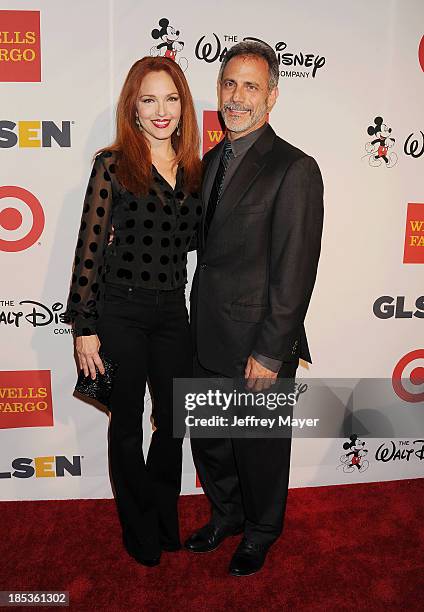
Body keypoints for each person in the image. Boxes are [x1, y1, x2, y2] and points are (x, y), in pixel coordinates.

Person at [185, 40, 324, 576]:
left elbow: (295, 272)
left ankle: (262, 531)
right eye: (229, 83)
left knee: (258, 449)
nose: (237, 97)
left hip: (258, 344)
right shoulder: (210, 161)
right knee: (212, 441)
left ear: (272, 96)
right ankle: (227, 515)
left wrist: (271, 351)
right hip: (206, 335)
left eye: (250, 86)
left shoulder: (294, 169)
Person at [65, 57, 202, 567]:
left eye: (171, 98)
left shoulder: (196, 170)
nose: (161, 110)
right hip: (120, 311)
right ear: (134, 107)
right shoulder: (113, 164)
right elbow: (90, 247)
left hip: (173, 314)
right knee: (125, 426)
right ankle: (139, 525)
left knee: (171, 424)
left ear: (183, 106)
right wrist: (85, 325)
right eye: (149, 99)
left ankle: (166, 517)